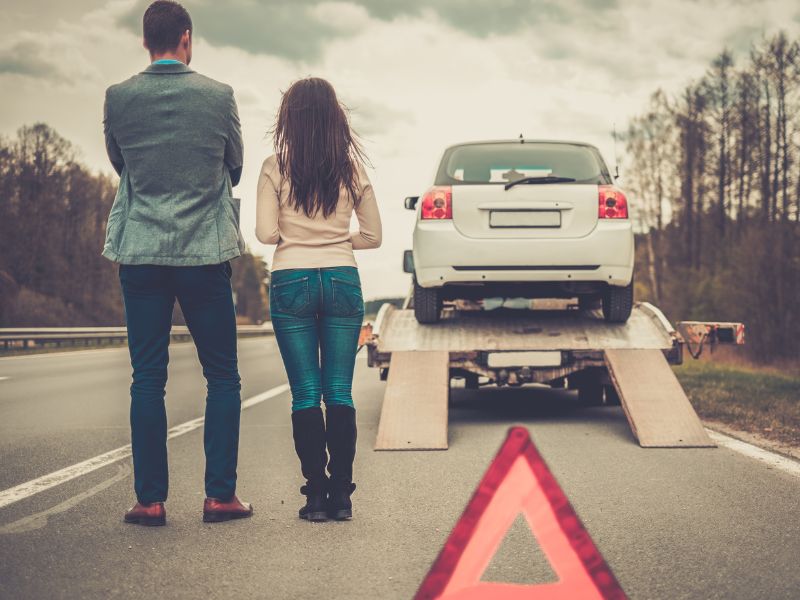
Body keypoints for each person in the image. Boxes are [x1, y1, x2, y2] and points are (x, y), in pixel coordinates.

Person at [103, 0, 252, 526]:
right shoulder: (219, 96)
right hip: (203, 252)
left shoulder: (118, 98)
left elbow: (120, 164)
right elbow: (234, 165)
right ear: (186, 38)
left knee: (147, 377)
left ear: (146, 41)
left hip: (141, 252)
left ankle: (149, 500)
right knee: (223, 377)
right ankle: (219, 497)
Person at [256, 78, 382, 522]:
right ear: (335, 119)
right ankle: (342, 498)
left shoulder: (275, 167)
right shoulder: (351, 170)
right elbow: (373, 236)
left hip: (292, 278)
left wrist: (299, 237)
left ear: (289, 119)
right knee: (340, 391)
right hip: (342, 278)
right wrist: (336, 240)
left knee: (306, 393)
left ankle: (314, 495)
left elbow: (266, 234)